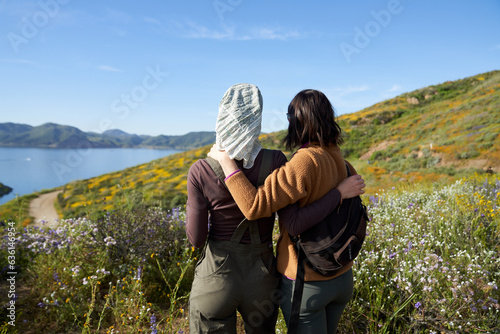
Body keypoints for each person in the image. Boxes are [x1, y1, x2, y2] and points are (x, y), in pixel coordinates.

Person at [187, 84, 364, 333]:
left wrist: (227, 163)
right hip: (336, 272)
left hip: (301, 278)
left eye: (290, 117)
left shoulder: (301, 162)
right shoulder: (337, 160)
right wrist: (339, 193)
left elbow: (250, 211)